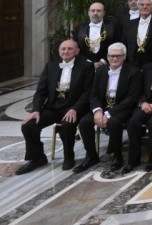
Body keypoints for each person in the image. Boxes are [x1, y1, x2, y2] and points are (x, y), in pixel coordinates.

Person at [17, 40, 94, 174]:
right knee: (28, 125)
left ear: (77, 51)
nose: (66, 51)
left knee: (67, 123)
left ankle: (69, 157)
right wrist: (35, 110)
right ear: (59, 51)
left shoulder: (86, 66)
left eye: (70, 49)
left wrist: (75, 108)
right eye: (63, 49)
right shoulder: (51, 66)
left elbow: (88, 92)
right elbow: (41, 91)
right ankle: (37, 158)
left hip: (74, 106)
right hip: (52, 107)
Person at [75, 43, 143, 173]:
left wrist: (109, 113)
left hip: (122, 108)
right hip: (102, 107)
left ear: (124, 56)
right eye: (112, 56)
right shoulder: (101, 71)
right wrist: (98, 111)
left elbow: (132, 98)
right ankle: (91, 156)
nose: (115, 59)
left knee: (113, 122)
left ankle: (117, 157)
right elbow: (93, 94)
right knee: (84, 122)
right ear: (107, 57)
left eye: (118, 56)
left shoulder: (133, 72)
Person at [125, 0, 152, 69]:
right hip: (132, 65)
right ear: (138, 7)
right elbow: (125, 43)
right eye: (142, 5)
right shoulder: (129, 24)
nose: (144, 7)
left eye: (148, 5)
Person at [73, 2, 116, 68]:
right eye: (93, 10)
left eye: (98, 11)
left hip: (107, 65)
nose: (95, 13)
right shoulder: (80, 28)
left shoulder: (112, 27)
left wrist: (103, 61)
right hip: (85, 66)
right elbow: (76, 47)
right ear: (88, 13)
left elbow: (116, 45)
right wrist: (88, 62)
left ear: (103, 13)